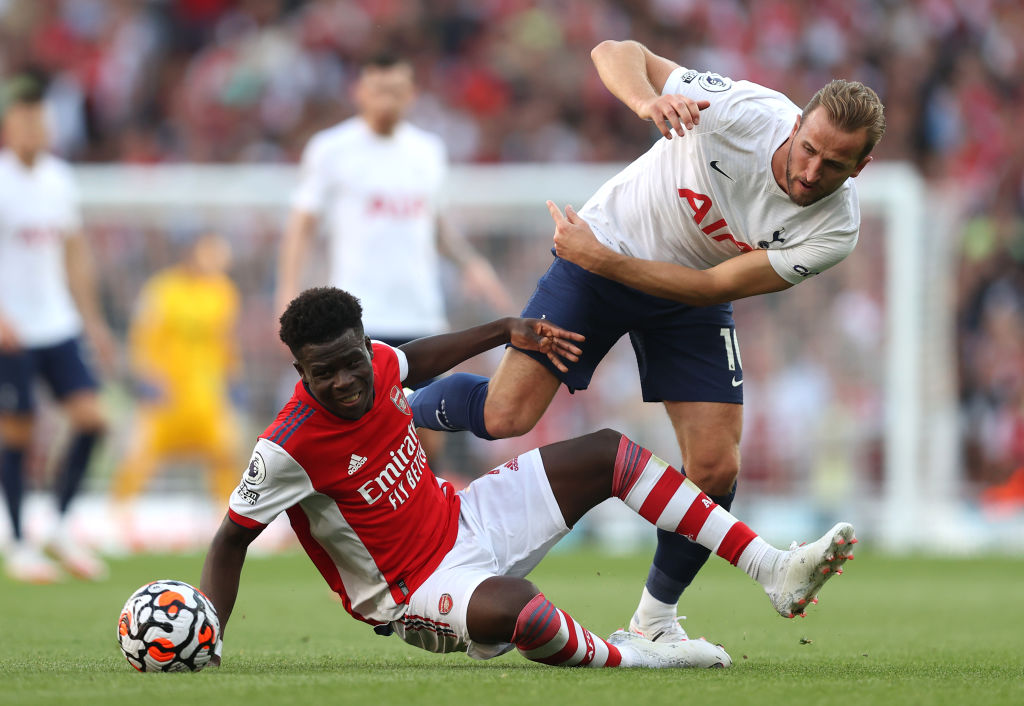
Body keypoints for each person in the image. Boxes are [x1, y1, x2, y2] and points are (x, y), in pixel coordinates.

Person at [407, 39, 885, 646]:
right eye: (808, 149)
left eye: (834, 166)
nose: (810, 172)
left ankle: (655, 622)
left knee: (715, 466)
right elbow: (615, 49)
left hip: (681, 292)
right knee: (506, 415)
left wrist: (604, 262)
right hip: (605, 245)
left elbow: (711, 284)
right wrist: (645, 100)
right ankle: (389, 408)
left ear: (859, 169)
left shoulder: (836, 228)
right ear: (796, 124)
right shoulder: (745, 111)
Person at [201, 287, 856, 670]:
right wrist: (210, 635)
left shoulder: (375, 362)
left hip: (466, 518)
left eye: (350, 362)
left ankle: (772, 567)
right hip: (417, 589)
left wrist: (502, 330)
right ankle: (639, 656)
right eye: (325, 374)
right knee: (517, 608)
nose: (344, 381)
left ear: (362, 341)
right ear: (299, 372)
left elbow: (411, 359)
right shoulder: (285, 448)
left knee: (604, 451)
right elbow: (229, 540)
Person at [274, 52, 512, 472]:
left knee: (426, 433)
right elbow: (302, 225)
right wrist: (286, 289)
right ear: (360, 92)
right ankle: (359, 526)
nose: (388, 99)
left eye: (397, 91)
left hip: (420, 316)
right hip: (359, 318)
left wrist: (472, 263)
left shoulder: (427, 151)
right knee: (360, 433)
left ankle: (419, 528)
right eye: (379, 89)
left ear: (411, 94)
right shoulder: (332, 149)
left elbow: (433, 225)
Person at [0, 72, 116, 583]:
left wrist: (93, 323)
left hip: (57, 322)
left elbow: (73, 256)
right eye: (24, 119)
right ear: (8, 125)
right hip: (11, 328)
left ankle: (61, 526)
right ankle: (19, 541)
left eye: (40, 118)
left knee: (93, 420)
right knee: (19, 432)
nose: (34, 128)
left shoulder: (58, 180)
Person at [109, 232, 244, 539]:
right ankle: (118, 519)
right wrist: (146, 376)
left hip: (207, 393)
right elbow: (141, 336)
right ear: (193, 253)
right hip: (166, 393)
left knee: (226, 451)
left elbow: (227, 342)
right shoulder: (162, 289)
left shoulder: (224, 291)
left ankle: (228, 519)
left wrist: (234, 379)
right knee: (140, 455)